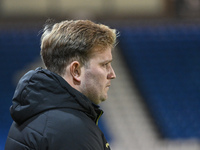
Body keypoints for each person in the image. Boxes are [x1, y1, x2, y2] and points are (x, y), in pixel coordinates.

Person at [5, 20, 118, 150]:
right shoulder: (73, 131)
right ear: (76, 70)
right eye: (104, 64)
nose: (112, 74)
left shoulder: (32, 113)